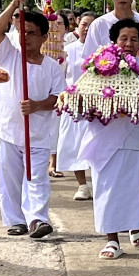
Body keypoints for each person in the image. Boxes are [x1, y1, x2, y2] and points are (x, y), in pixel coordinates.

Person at [80, 17, 139, 258]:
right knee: (107, 189)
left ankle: (135, 224)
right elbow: (83, 99)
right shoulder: (98, 67)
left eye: (134, 39)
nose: (129, 43)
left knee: (135, 188)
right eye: (124, 39)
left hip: (137, 138)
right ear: (113, 41)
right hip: (106, 137)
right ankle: (112, 240)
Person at [0, 0, 65, 238]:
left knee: (36, 177)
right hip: (10, 129)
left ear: (44, 36)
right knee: (10, 177)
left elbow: (58, 98)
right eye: (22, 32)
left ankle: (38, 219)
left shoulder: (52, 67)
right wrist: (13, 4)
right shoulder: (11, 55)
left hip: (39, 133)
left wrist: (37, 105)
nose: (26, 37)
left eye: (31, 33)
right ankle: (15, 220)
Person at [58, 13, 95, 201]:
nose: (87, 29)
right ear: (77, 26)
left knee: (97, 145)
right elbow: (61, 75)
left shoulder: (102, 50)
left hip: (96, 105)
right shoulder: (68, 49)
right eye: (84, 24)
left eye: (91, 25)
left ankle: (97, 182)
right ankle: (82, 185)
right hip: (73, 103)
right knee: (74, 145)